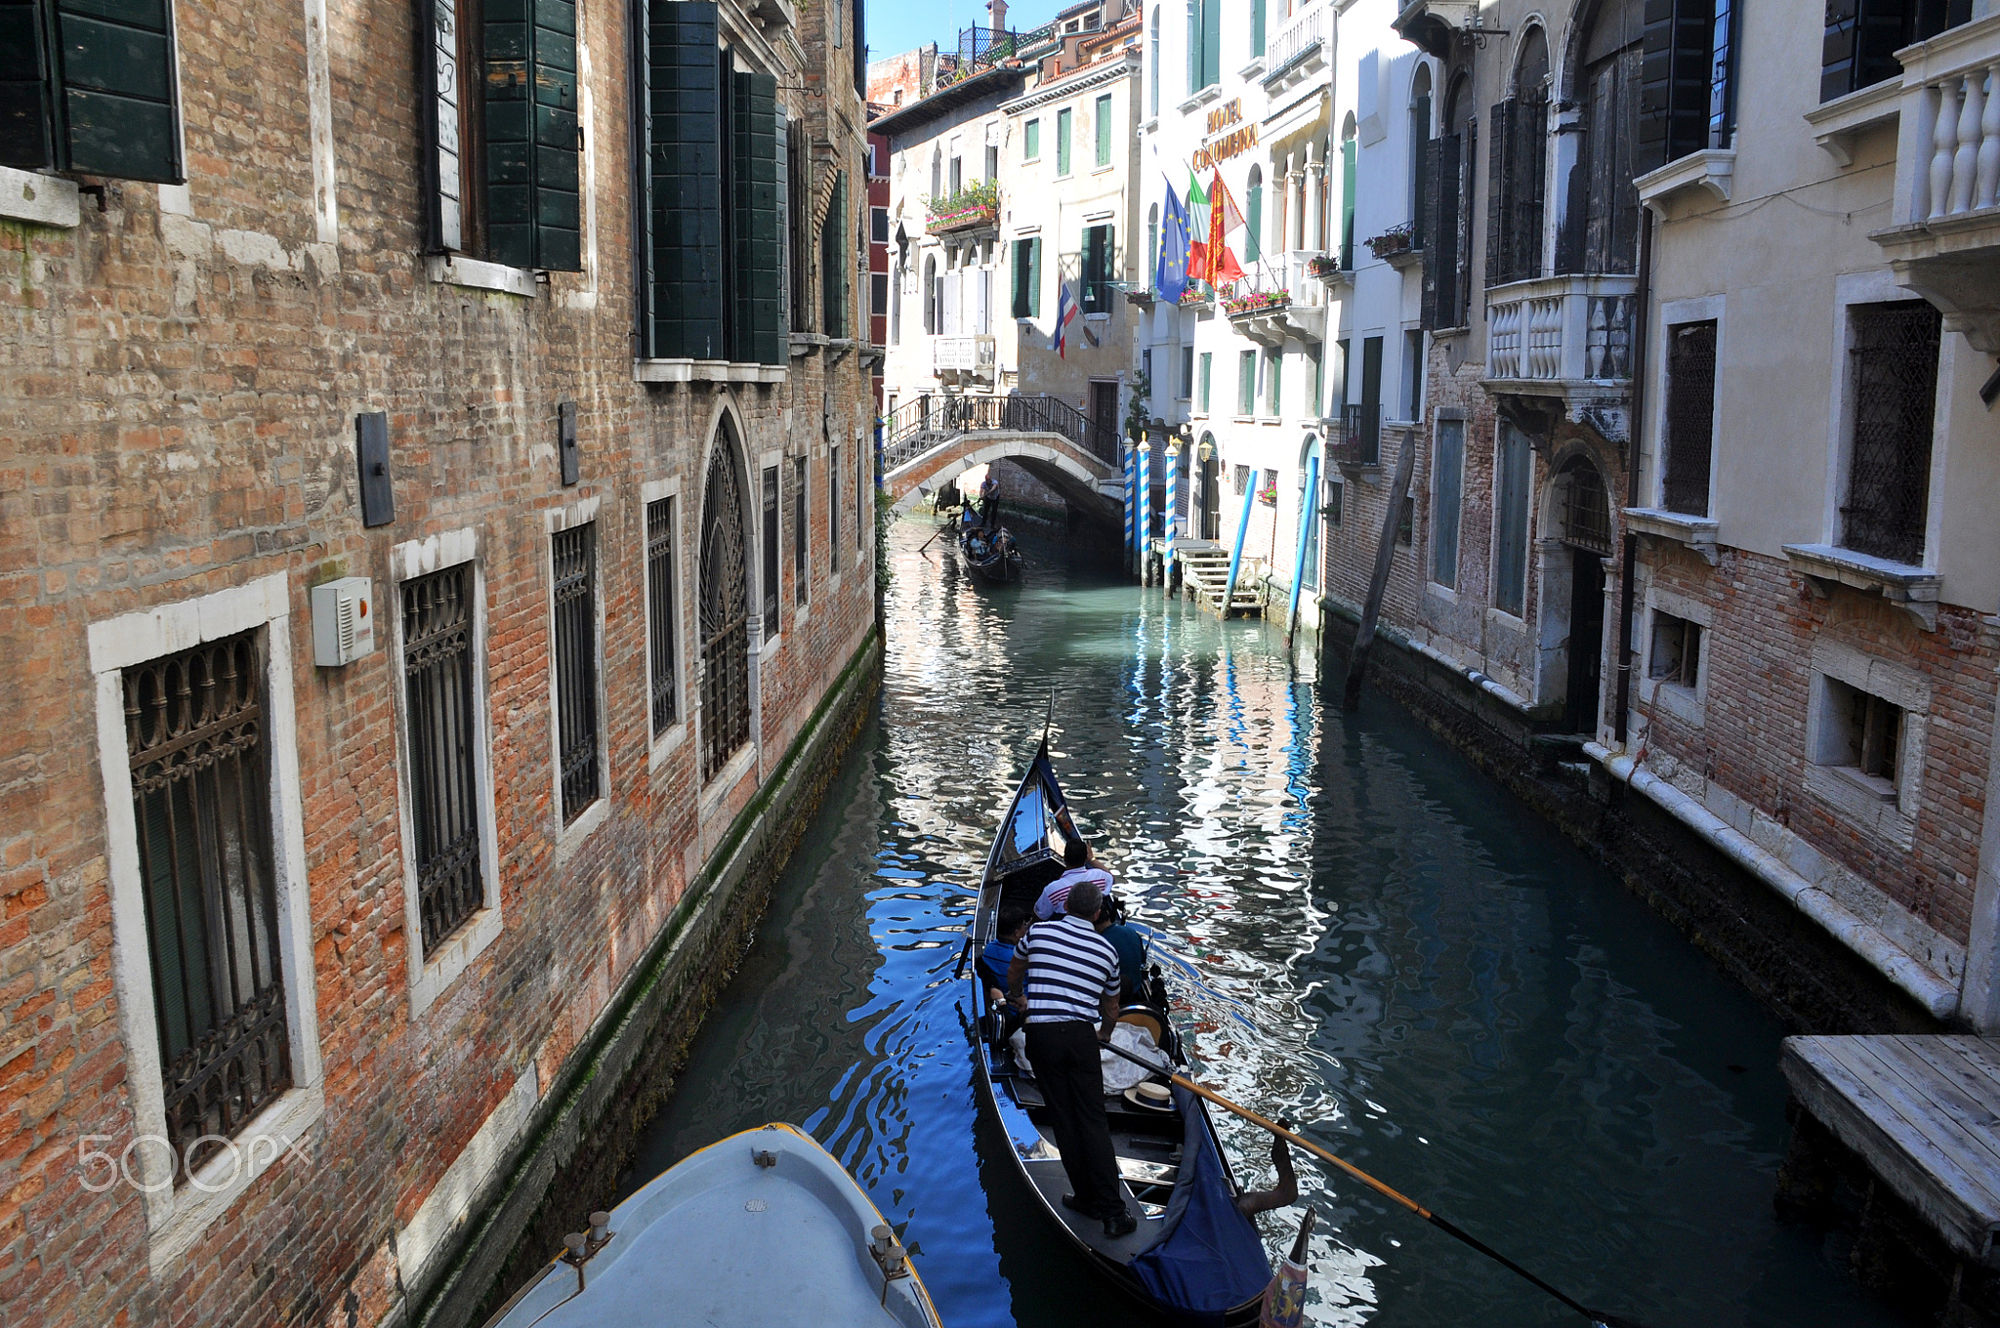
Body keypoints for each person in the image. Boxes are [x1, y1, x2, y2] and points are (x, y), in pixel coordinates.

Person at [1007, 879, 1135, 1238]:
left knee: (1064, 1120)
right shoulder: (1106, 952)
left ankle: (1086, 1198)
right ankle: (1113, 1213)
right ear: (1097, 912)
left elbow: (1015, 970)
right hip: (1080, 1038)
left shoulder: (1038, 933)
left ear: (1065, 907)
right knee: (1092, 1121)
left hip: (1042, 1036)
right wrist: (1105, 1034)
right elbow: (1111, 1006)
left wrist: (1019, 997)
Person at [1034, 838, 1115, 920]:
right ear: (1085, 858)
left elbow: (1040, 916)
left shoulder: (1052, 890)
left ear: (1065, 858)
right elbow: (1111, 877)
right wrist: (1092, 859)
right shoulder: (1100, 876)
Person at [1095, 896, 1148, 1006]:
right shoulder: (1132, 932)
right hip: (1134, 991)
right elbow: (1142, 960)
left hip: (1112, 996)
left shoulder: (1097, 945)